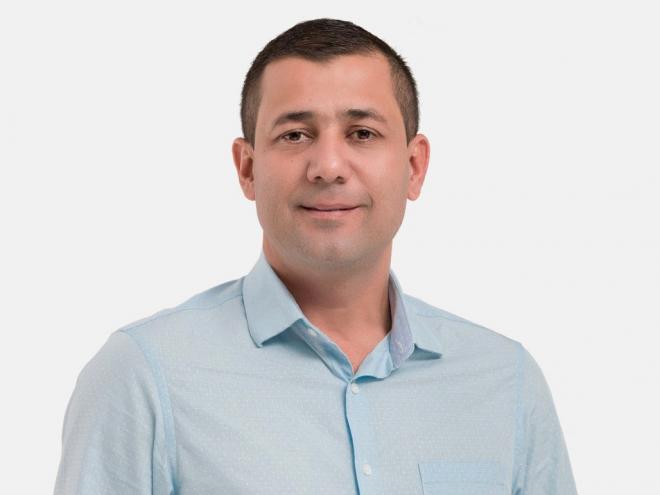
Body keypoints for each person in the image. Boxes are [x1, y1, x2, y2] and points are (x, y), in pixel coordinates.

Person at [54, 18, 577, 495]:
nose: (328, 166)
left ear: (414, 167)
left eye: (362, 133)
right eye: (295, 135)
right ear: (247, 169)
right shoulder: (144, 377)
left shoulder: (506, 382)